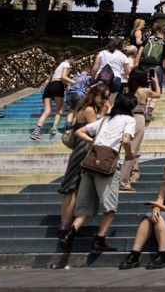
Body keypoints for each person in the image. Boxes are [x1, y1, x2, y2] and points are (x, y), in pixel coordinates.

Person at [61, 93, 137, 253]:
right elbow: (125, 140)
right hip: (107, 165)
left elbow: (79, 132)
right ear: (131, 107)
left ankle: (69, 234)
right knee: (110, 207)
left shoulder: (105, 119)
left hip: (90, 163)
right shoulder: (129, 120)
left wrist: (93, 142)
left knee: (85, 206)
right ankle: (99, 239)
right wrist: (129, 154)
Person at [57, 84, 109, 245]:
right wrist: (105, 113)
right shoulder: (89, 110)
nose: (104, 100)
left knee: (74, 188)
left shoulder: (83, 107)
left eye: (107, 97)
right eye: (103, 97)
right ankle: (65, 226)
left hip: (79, 150)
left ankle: (66, 226)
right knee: (73, 189)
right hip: (83, 150)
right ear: (95, 95)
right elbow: (96, 131)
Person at [119, 69, 162, 191]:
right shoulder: (144, 91)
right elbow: (158, 94)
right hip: (138, 118)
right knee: (132, 150)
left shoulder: (127, 90)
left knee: (132, 148)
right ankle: (123, 181)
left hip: (127, 116)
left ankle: (132, 174)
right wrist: (156, 82)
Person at [31, 51, 74, 140]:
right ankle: (54, 128)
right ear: (71, 58)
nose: (73, 61)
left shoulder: (58, 66)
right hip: (58, 85)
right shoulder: (66, 64)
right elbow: (63, 76)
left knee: (47, 111)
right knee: (59, 110)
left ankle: (36, 132)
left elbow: (47, 81)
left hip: (50, 85)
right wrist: (74, 81)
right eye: (73, 59)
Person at [64, 59, 93, 125]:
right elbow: (87, 88)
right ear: (88, 71)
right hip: (79, 95)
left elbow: (68, 87)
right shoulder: (87, 78)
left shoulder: (74, 77)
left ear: (81, 69)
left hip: (70, 94)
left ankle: (68, 124)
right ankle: (73, 126)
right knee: (76, 111)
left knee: (70, 111)